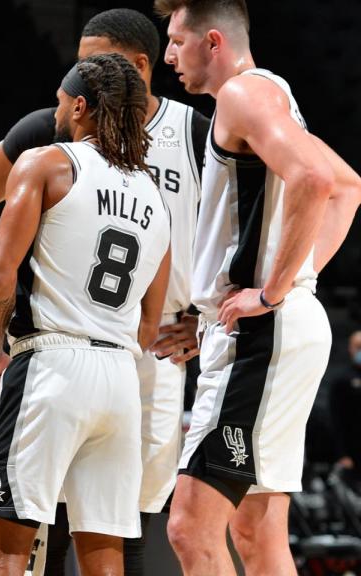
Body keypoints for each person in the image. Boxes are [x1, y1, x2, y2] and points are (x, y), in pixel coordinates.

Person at [0, 8, 208, 575]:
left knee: (5, 547)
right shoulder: (151, 193)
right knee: (107, 552)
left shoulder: (48, 161)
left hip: (52, 364)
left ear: (78, 106)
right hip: (123, 373)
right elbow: (148, 322)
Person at [155, 1, 361, 574]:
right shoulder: (271, 94)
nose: (168, 55)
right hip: (271, 327)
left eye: (176, 40)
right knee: (254, 530)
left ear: (212, 41)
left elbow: (318, 180)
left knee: (190, 527)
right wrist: (295, 281)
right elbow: (347, 186)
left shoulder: (242, 94)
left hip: (263, 335)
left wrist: (270, 293)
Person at [331, 331, 361, 474]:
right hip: (353, 450)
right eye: (358, 347)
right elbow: (336, 419)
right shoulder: (342, 381)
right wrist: (342, 454)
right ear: (350, 348)